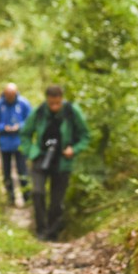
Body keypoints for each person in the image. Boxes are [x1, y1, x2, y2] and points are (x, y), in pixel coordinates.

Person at [20, 85, 90, 241]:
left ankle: (52, 234)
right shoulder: (39, 112)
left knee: (56, 201)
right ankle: (40, 231)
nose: (54, 107)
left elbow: (85, 136)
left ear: (62, 99)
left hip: (62, 162)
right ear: (47, 100)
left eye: (57, 103)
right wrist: (32, 152)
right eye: (51, 103)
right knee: (38, 193)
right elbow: (25, 134)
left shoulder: (71, 112)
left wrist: (74, 149)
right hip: (41, 158)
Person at [0, 82, 32, 206]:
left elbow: (31, 119)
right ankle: (10, 198)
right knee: (6, 172)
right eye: (8, 94)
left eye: (12, 94)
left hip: (20, 143)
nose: (10, 97)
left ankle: (27, 197)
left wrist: (20, 126)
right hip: (5, 144)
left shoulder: (23, 103)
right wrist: (3, 127)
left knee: (22, 170)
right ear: (4, 94)